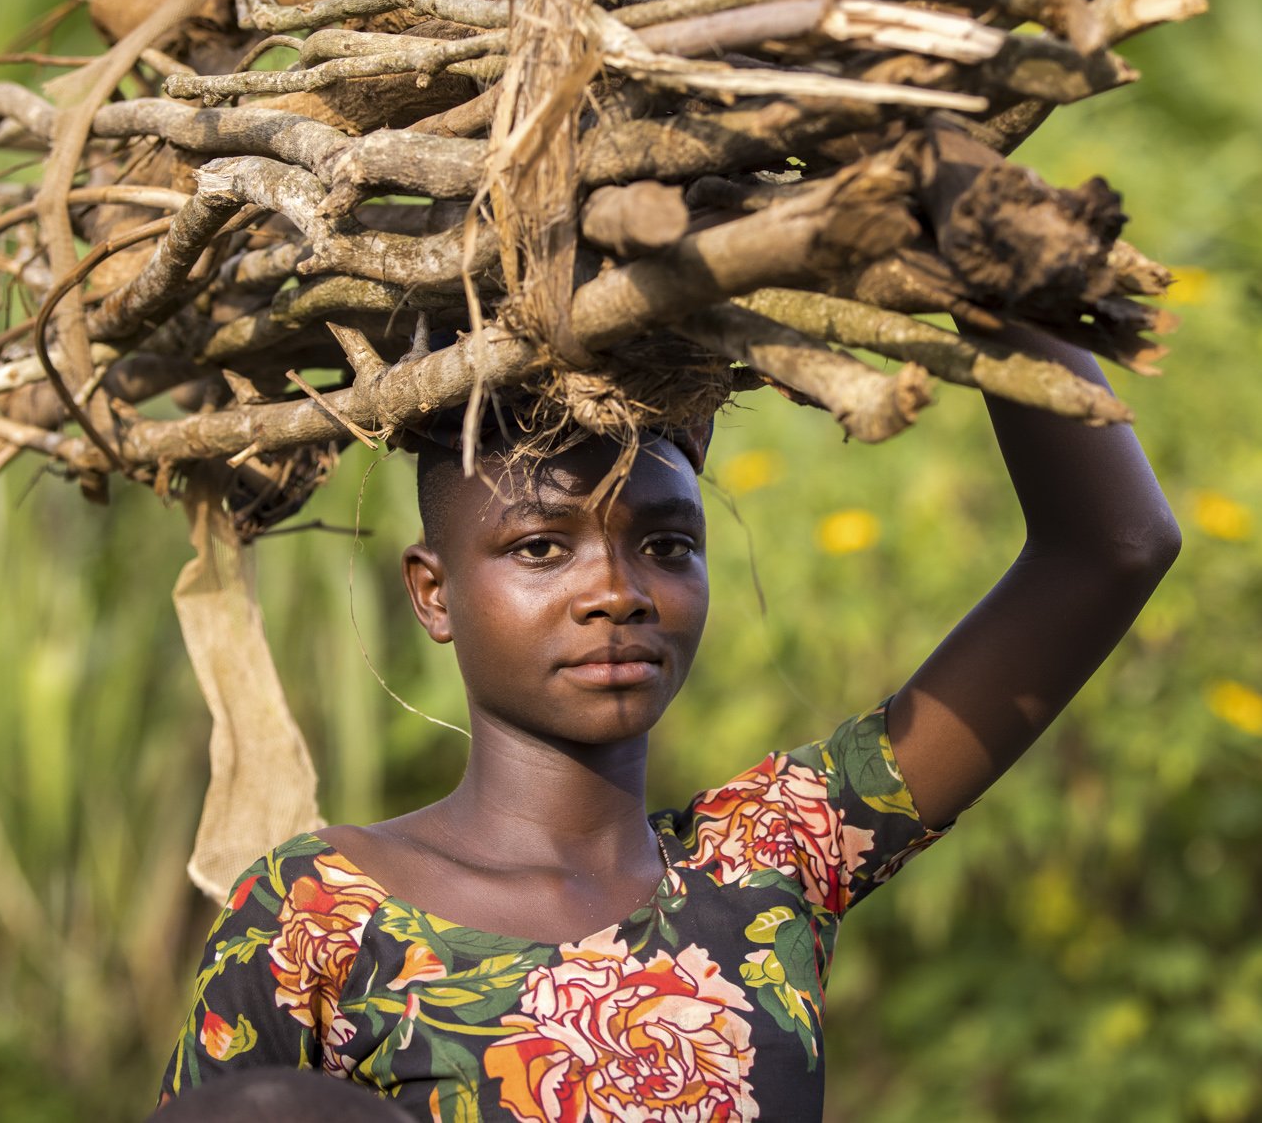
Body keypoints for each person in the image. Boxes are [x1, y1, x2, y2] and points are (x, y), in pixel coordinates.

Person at [157, 321, 1179, 1121]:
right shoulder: (318, 917)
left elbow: (1112, 548)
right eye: (540, 548)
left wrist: (988, 264)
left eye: (666, 543)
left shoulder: (765, 862)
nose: (616, 591)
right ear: (432, 591)